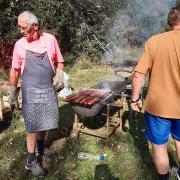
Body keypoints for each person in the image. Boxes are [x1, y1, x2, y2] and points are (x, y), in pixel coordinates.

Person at [9, 11, 64, 177]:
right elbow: (14, 70)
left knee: (45, 121)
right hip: (30, 92)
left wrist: (60, 74)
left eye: (23, 27)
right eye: (19, 26)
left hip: (48, 89)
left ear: (35, 26)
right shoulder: (20, 45)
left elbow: (59, 61)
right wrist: (12, 93)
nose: (20, 30)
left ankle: (41, 149)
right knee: (33, 127)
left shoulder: (50, 40)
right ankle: (30, 161)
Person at [131, 5, 180, 180]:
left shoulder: (155, 41)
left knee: (159, 146)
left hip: (158, 106)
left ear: (170, 21)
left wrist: (135, 99)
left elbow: (138, 75)